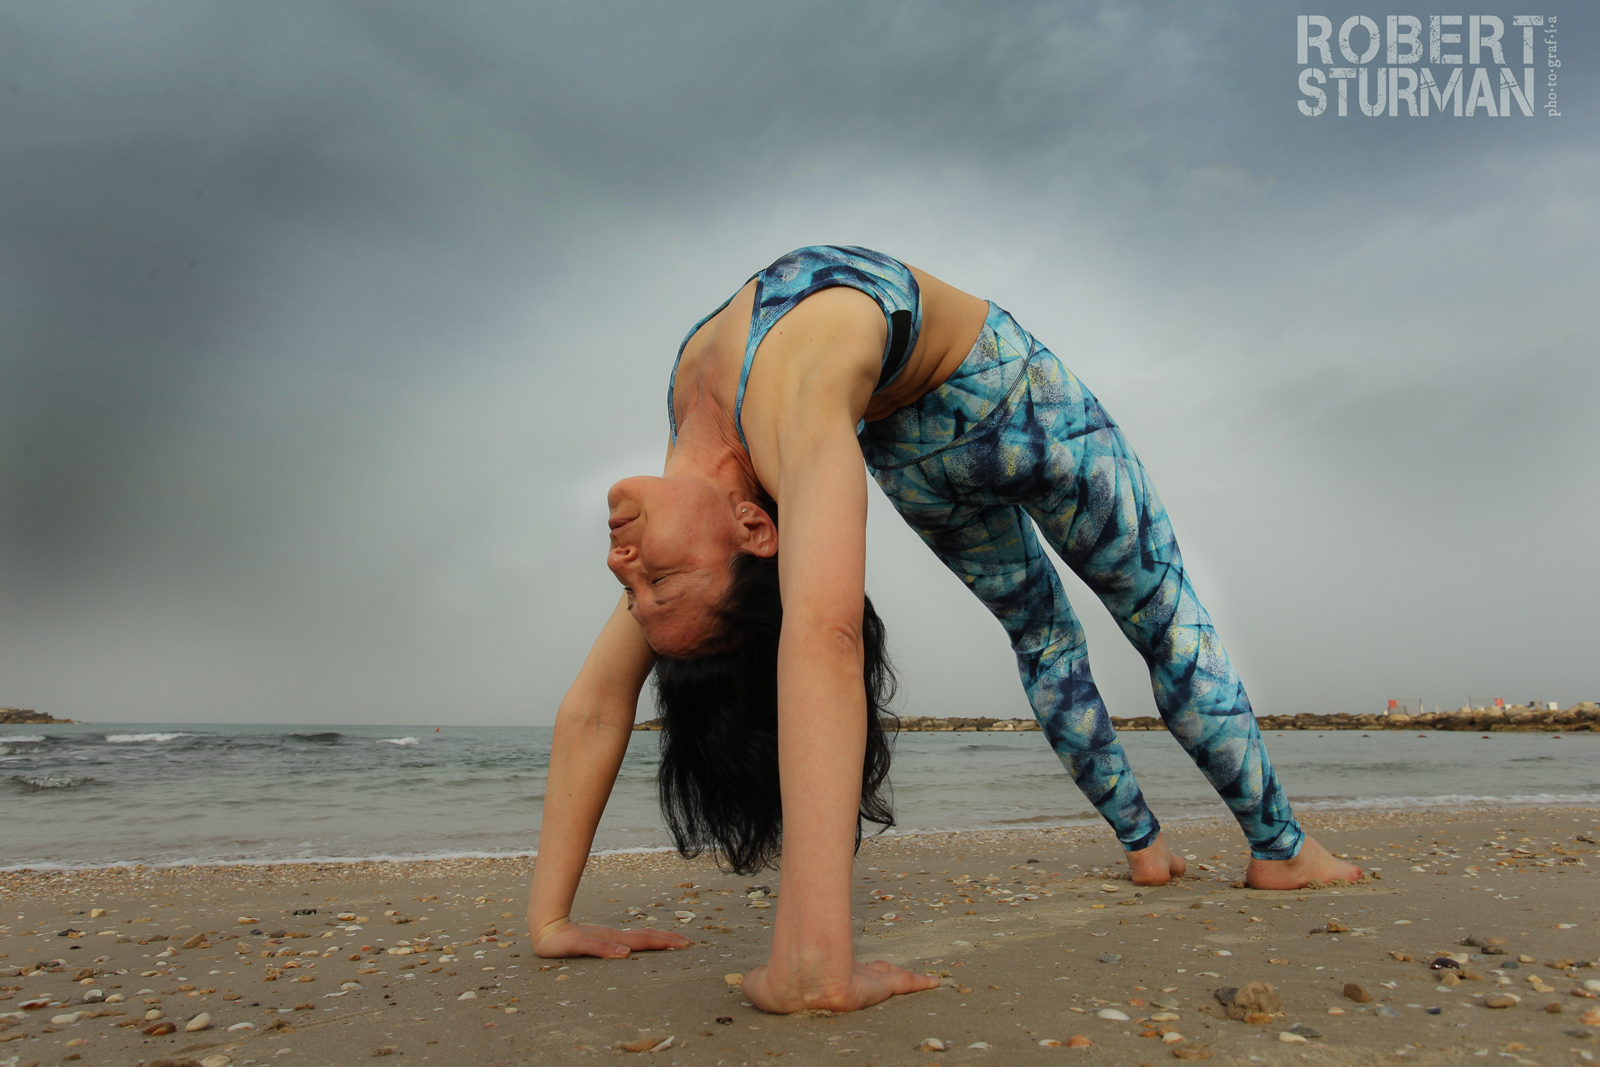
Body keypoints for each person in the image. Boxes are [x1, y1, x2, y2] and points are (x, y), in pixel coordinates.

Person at [526, 245, 1360, 1015]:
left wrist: (552, 918)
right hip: (1016, 400)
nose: (624, 569)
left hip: (917, 465)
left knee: (1044, 642)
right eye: (657, 580)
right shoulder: (791, 422)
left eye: (639, 591)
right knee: (1161, 611)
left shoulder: (697, 485)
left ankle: (1146, 847)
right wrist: (813, 965)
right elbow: (823, 634)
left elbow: (598, 706)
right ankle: (1278, 847)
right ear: (753, 529)